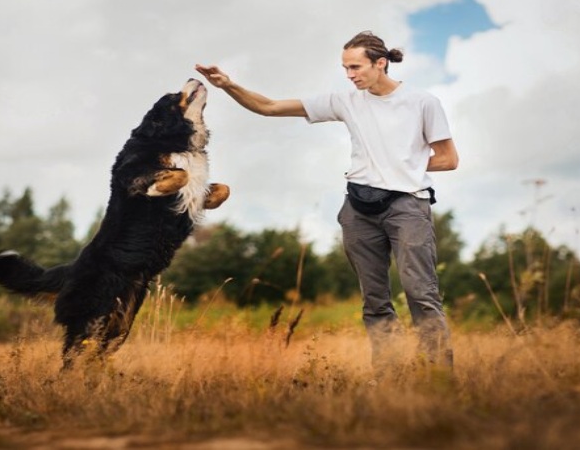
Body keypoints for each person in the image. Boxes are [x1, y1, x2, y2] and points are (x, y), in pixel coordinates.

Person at [195, 31, 458, 373]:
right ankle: (388, 377)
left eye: (355, 67)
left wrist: (402, 165)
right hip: (359, 210)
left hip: (408, 207)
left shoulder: (423, 102)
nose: (350, 75)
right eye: (345, 68)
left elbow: (448, 159)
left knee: (420, 294)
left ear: (381, 63)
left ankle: (439, 378)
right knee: (375, 301)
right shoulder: (346, 100)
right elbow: (270, 107)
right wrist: (228, 85)